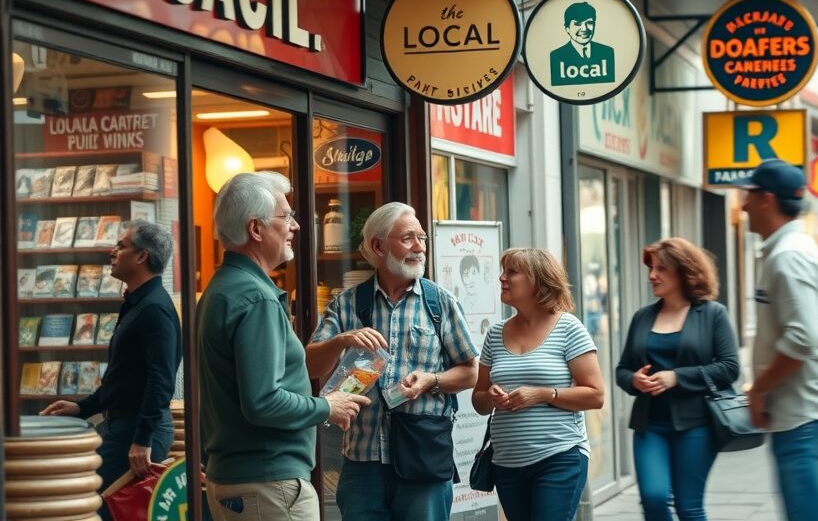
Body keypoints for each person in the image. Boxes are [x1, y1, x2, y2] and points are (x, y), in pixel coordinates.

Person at [197, 172, 369, 521]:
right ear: (256, 229)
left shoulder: (223, 288)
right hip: (268, 484)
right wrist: (326, 406)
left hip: (243, 480)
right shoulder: (255, 298)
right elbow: (263, 402)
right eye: (285, 216)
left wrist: (335, 344)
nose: (295, 226)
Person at [306, 201, 479, 521]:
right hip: (362, 463)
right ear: (377, 246)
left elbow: (470, 372)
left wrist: (433, 381)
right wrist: (343, 340)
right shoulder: (346, 304)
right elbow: (311, 366)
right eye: (408, 238)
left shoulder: (439, 303)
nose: (419, 247)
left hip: (423, 460)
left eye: (422, 238)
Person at [41, 221, 182, 521]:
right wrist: (82, 407)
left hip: (138, 432)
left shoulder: (154, 309)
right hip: (124, 427)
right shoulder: (136, 304)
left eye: (121, 246)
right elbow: (124, 377)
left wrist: (142, 439)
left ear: (142, 256)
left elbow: (161, 380)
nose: (112, 251)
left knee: (90, 505)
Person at [738, 159, 818, 521]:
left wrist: (758, 390)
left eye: (749, 195)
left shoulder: (789, 256)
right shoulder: (789, 249)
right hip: (804, 414)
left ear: (767, 200)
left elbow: (802, 340)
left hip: (806, 415)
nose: (742, 204)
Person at [471, 248, 604, 521]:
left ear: (537, 281)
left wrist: (544, 394)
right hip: (506, 463)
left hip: (560, 457)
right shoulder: (495, 334)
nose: (501, 278)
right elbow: (479, 400)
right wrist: (491, 396)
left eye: (511, 272)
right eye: (502, 271)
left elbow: (595, 395)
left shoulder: (568, 328)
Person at [615, 238, 739, 521]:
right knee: (653, 498)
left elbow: (730, 367)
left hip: (697, 425)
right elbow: (622, 369)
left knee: (688, 506)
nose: (652, 275)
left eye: (661, 269)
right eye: (650, 268)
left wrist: (677, 377)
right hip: (650, 425)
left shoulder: (712, 314)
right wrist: (633, 380)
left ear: (684, 272)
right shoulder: (642, 317)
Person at [549, 1, 615, 86]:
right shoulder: (556, 56)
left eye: (589, 23)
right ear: (567, 28)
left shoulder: (607, 52)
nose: (584, 29)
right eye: (577, 24)